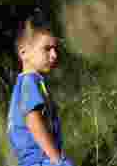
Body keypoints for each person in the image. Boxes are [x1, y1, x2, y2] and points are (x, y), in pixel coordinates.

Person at [7, 19, 74, 166]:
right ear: (24, 53)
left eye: (55, 49)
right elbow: (33, 121)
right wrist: (57, 160)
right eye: (47, 49)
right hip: (41, 159)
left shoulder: (31, 81)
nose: (54, 55)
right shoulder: (29, 82)